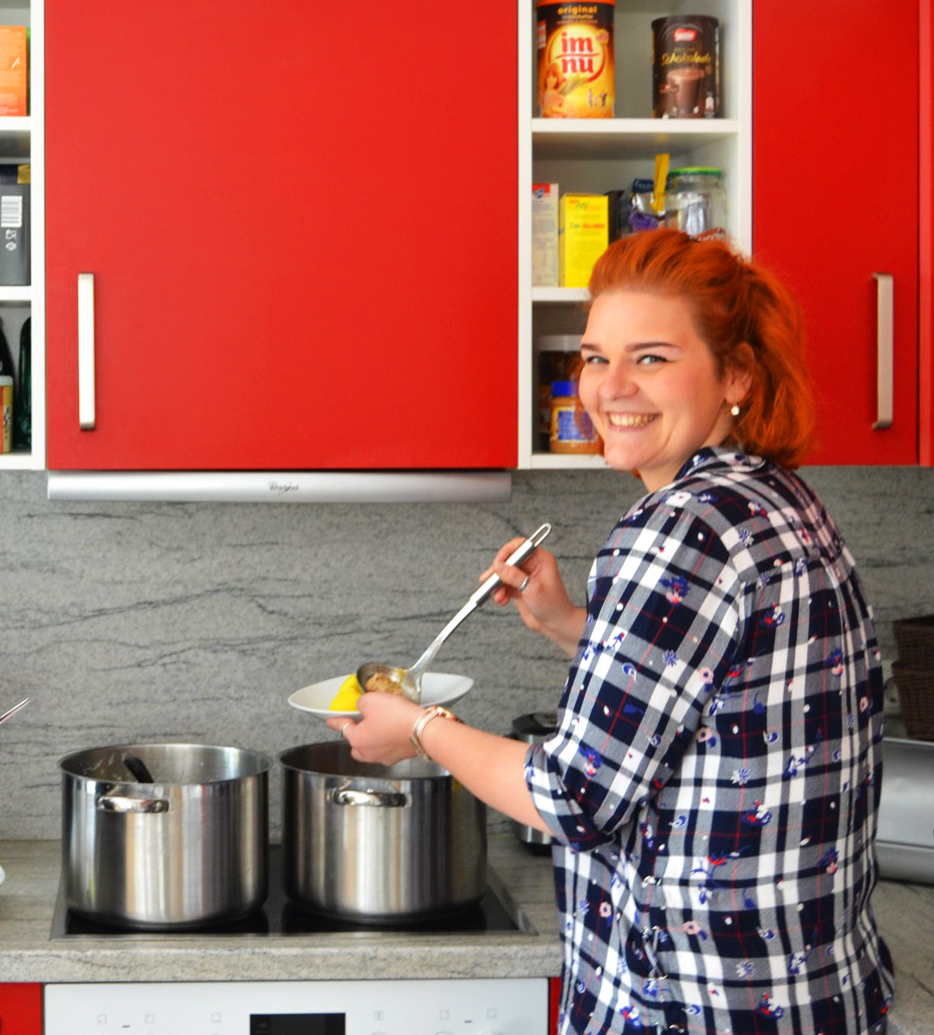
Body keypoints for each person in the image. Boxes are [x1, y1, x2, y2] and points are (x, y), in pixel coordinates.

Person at [336, 229, 894, 1034]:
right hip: (812, 992)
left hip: (692, 1002)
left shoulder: (677, 529)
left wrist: (421, 729)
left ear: (734, 373)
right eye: (594, 357)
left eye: (652, 358)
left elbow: (571, 795)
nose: (611, 388)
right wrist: (571, 625)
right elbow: (723, 698)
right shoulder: (778, 501)